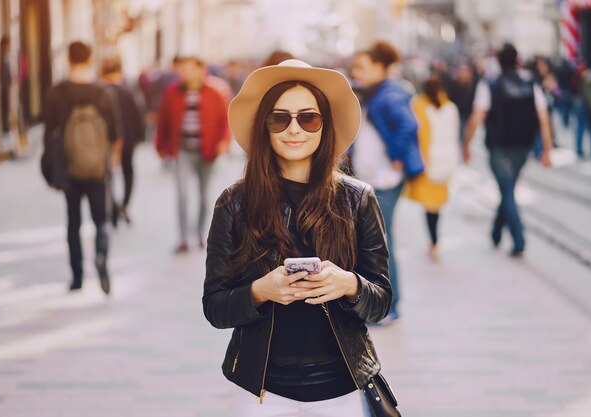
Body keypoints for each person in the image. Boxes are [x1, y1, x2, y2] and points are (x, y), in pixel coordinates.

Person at [203, 58, 395, 416]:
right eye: (280, 118)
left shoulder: (358, 199)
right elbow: (214, 306)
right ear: (265, 127)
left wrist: (349, 283)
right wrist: (261, 291)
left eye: (308, 118)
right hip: (263, 393)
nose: (295, 129)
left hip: (343, 390)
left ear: (324, 126)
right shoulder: (234, 203)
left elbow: (382, 300)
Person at [350, 40, 423, 322]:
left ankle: (390, 305)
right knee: (375, 241)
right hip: (372, 179)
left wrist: (396, 156)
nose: (356, 71)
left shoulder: (388, 94)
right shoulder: (374, 92)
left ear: (380, 67)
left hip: (386, 178)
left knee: (381, 242)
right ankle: (382, 303)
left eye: (362, 67)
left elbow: (408, 124)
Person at [40, 41, 118, 293]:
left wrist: (50, 171)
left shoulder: (56, 92)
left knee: (73, 222)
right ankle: (101, 256)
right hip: (97, 168)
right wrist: (111, 161)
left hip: (67, 167)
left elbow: (48, 135)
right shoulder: (102, 92)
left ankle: (77, 277)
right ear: (90, 59)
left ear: (68, 60)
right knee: (101, 220)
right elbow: (116, 132)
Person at [463, 43, 552, 257]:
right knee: (508, 189)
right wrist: (547, 149)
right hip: (523, 148)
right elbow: (544, 119)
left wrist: (465, 143)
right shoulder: (531, 83)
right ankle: (495, 233)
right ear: (518, 61)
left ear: (498, 61)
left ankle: (519, 240)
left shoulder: (490, 85)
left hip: (498, 147)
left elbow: (477, 117)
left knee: (507, 190)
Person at [155, 56, 230, 253]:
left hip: (207, 151)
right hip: (182, 150)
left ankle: (199, 233)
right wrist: (160, 147)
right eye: (181, 70)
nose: (183, 73)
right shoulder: (172, 92)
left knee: (205, 195)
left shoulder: (216, 91)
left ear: (200, 69)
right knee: (182, 194)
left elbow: (225, 120)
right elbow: (163, 120)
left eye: (188, 69)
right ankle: (183, 237)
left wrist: (224, 142)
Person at [406, 75, 459, 260]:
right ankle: (435, 241)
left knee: (429, 205)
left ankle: (434, 241)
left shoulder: (418, 105)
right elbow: (454, 134)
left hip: (426, 161)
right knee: (436, 205)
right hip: (445, 161)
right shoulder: (451, 107)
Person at [101, 57, 145, 225]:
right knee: (128, 171)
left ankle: (112, 208)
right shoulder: (129, 91)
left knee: (108, 176)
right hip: (128, 139)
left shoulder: (100, 92)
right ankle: (125, 205)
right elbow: (138, 114)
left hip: (107, 141)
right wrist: (139, 137)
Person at [0, 35, 12, 133]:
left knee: (6, 106)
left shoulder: (5, 56)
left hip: (6, 85)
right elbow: (3, 73)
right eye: (8, 44)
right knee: (4, 106)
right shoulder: (2, 56)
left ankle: (6, 125)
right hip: (3, 86)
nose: (9, 47)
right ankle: (5, 127)